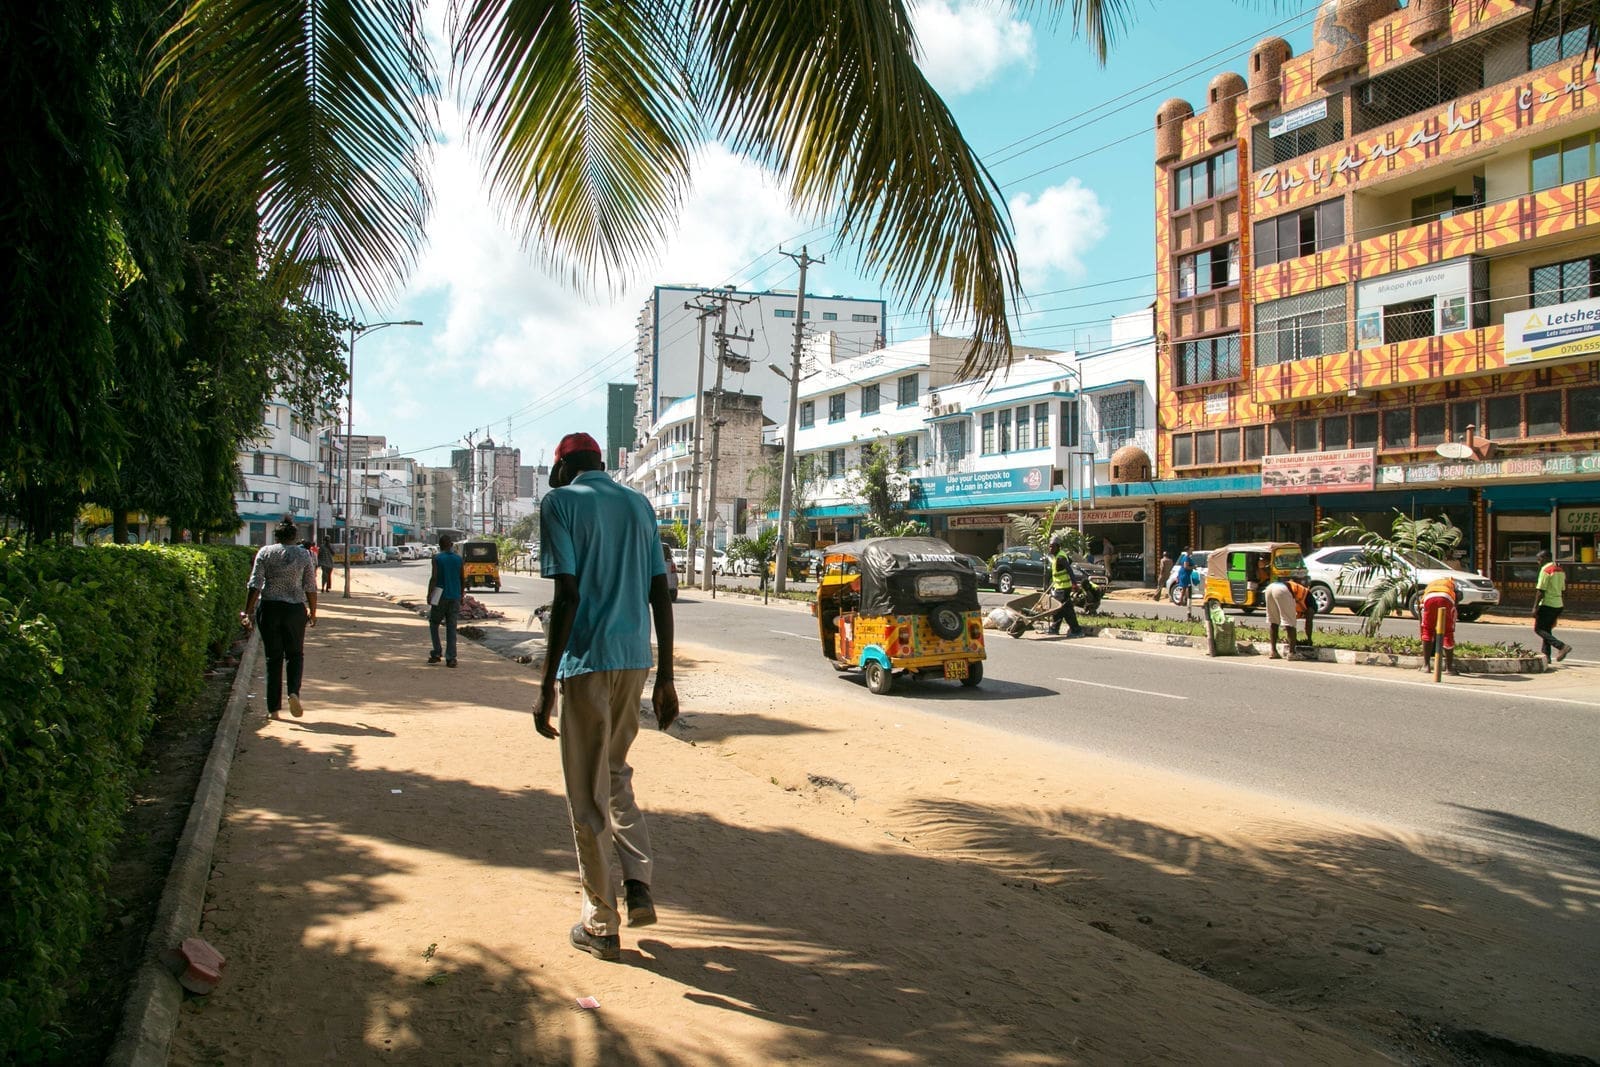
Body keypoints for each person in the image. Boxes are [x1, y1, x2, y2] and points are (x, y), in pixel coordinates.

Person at [534, 431, 678, 962]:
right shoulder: (639, 504)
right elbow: (658, 591)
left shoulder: (560, 503)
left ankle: (599, 921)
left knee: (585, 794)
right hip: (635, 660)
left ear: (564, 468)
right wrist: (666, 677)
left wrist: (546, 682)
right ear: (599, 462)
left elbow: (567, 593)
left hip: (588, 662)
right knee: (615, 773)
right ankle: (637, 880)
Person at [240, 516, 318, 719]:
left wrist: (247, 611)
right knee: (295, 654)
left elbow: (255, 584)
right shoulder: (303, 555)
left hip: (270, 609)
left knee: (273, 658)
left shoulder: (265, 552)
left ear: (276, 536)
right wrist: (313, 612)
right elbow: (310, 586)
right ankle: (293, 692)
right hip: (294, 610)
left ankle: (273, 710)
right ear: (295, 536)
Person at [1260, 561, 1315, 660]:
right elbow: (1309, 622)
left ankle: (1273, 651)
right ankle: (1292, 653)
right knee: (1290, 624)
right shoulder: (1311, 602)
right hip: (1283, 590)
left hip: (1270, 588)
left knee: (1274, 622)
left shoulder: (1301, 592)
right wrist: (1309, 639)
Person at [427, 534, 464, 667]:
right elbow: (462, 578)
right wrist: (462, 595)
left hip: (440, 595)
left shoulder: (437, 558)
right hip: (455, 596)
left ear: (440, 545)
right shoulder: (459, 559)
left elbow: (434, 578)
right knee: (452, 627)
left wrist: (429, 594)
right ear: (451, 545)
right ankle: (451, 658)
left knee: (434, 623)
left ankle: (437, 652)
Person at [1532, 550, 1572, 664]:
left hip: (1547, 604)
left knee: (1539, 629)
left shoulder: (1545, 570)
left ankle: (1561, 646)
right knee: (1547, 630)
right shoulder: (1560, 570)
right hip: (1558, 604)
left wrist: (1535, 607)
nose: (1538, 562)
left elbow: (1540, 591)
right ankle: (1546, 656)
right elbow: (1563, 589)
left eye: (1539, 559)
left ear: (1545, 558)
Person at [1418, 575, 1460, 676]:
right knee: (1448, 632)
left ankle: (1426, 666)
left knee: (1427, 630)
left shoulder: (1432, 584)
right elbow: (1457, 599)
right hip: (1446, 598)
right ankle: (1449, 668)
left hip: (1429, 598)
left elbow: (1422, 604)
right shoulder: (1452, 583)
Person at [1045, 534, 1085, 637]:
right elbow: (1069, 562)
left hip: (1063, 588)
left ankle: (1076, 630)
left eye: (1052, 546)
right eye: (1049, 546)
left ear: (1058, 547)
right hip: (1059, 587)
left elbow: (1070, 570)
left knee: (1066, 610)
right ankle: (1055, 628)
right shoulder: (1059, 556)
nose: (1050, 548)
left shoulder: (1060, 558)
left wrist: (1074, 584)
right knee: (1059, 609)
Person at [1177, 546, 1197, 616]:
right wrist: (1193, 567)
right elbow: (1186, 567)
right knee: (1186, 587)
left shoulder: (1187, 557)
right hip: (1185, 574)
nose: (1192, 551)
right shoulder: (1186, 557)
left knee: (1185, 588)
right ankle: (1185, 600)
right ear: (1188, 550)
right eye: (1191, 550)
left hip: (1186, 574)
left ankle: (1181, 600)